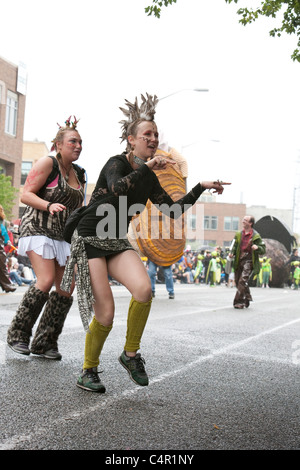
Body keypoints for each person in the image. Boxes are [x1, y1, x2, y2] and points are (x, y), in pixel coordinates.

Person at [60, 93, 230, 393]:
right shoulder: (117, 164)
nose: (153, 139)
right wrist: (149, 166)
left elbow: (173, 210)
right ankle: (88, 370)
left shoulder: (150, 176)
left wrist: (200, 187)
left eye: (155, 135)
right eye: (146, 135)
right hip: (89, 236)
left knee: (143, 289)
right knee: (107, 312)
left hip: (116, 239)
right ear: (131, 140)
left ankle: (130, 355)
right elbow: (117, 187)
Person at [7, 116, 85, 360]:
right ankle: (18, 333)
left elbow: (79, 208)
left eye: (81, 142)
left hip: (63, 235)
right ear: (59, 144)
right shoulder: (47, 163)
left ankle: (45, 341)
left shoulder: (80, 173)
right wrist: (48, 204)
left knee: (66, 287)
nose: (78, 146)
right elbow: (25, 195)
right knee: (46, 279)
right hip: (38, 229)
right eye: (73, 141)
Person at [229, 215, 266, 309]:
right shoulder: (238, 234)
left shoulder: (256, 236)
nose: (243, 221)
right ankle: (247, 297)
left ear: (250, 223)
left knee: (242, 280)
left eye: (245, 220)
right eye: (243, 220)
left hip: (249, 260)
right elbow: (234, 246)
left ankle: (238, 302)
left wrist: (257, 247)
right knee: (238, 282)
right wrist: (231, 253)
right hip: (238, 260)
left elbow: (263, 249)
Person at [0, 205, 16, 293]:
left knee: (2, 266)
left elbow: (5, 233)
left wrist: (8, 241)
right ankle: (7, 285)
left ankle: (7, 285)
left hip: (0, 245)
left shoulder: (3, 222)